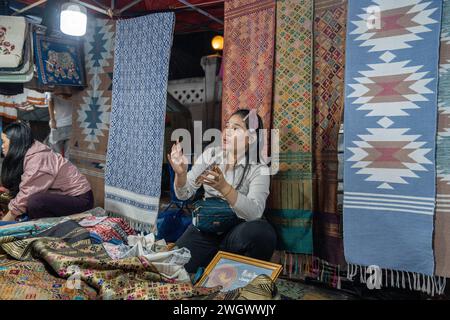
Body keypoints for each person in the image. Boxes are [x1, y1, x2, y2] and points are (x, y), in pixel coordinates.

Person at [168, 109, 277, 273]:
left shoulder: (259, 168)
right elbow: (185, 193)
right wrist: (181, 174)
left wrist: (225, 188)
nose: (227, 132)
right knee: (173, 267)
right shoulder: (210, 156)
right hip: (206, 228)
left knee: (263, 233)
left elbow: (255, 212)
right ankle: (213, 263)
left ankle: (235, 272)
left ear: (251, 138)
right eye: (227, 126)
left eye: (236, 128)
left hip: (236, 234)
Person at [0, 121, 93, 222]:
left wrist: (5, 222)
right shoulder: (27, 153)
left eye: (4, 141)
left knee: (34, 202)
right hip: (61, 197)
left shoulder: (38, 158)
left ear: (15, 141)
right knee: (22, 200)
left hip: (80, 200)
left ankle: (46, 229)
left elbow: (27, 194)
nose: (2, 146)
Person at [46, 92, 73, 158]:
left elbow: (49, 102)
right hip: (67, 124)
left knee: (56, 154)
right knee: (68, 154)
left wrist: (52, 119)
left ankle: (60, 167)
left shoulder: (49, 87)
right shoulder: (74, 87)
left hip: (58, 125)